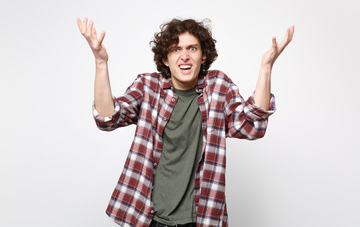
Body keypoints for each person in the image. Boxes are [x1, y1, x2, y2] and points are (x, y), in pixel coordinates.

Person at [77, 17, 294, 227]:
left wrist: (266, 67)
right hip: (148, 217)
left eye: (192, 48)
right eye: (175, 49)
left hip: (200, 218)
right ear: (165, 59)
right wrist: (100, 62)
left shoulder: (218, 86)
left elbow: (252, 126)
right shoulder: (148, 87)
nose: (184, 56)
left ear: (203, 57)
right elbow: (108, 118)